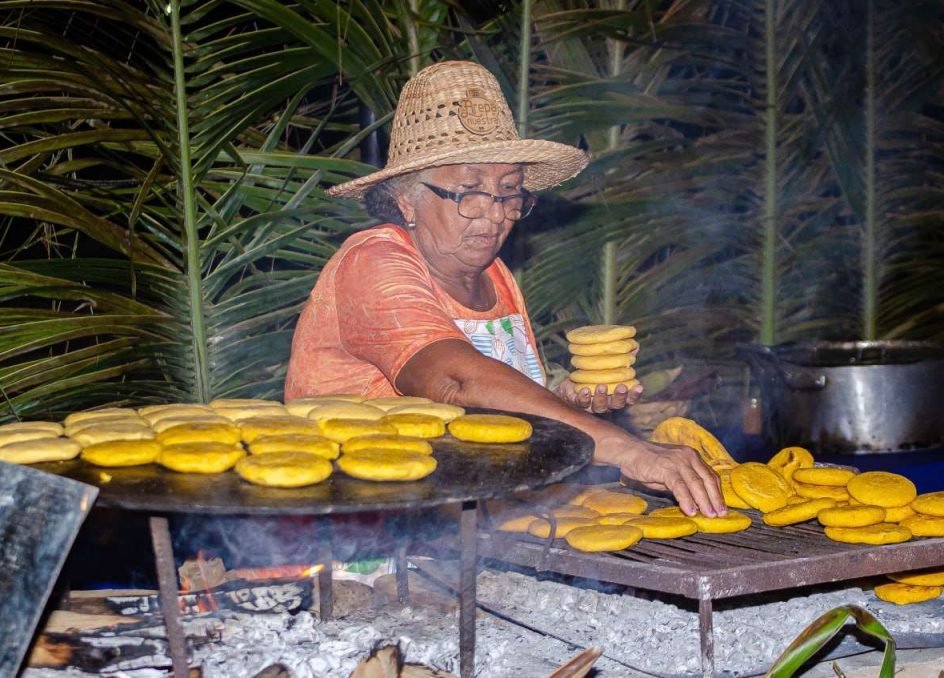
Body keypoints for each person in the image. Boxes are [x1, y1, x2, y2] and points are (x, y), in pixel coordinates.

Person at [286, 61, 724, 517]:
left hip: (470, 533)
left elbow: (498, 406)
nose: (495, 215)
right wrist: (630, 450)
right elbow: (456, 381)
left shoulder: (494, 273)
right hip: (370, 535)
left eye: (509, 192)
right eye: (468, 192)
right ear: (405, 201)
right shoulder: (373, 260)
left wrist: (562, 399)